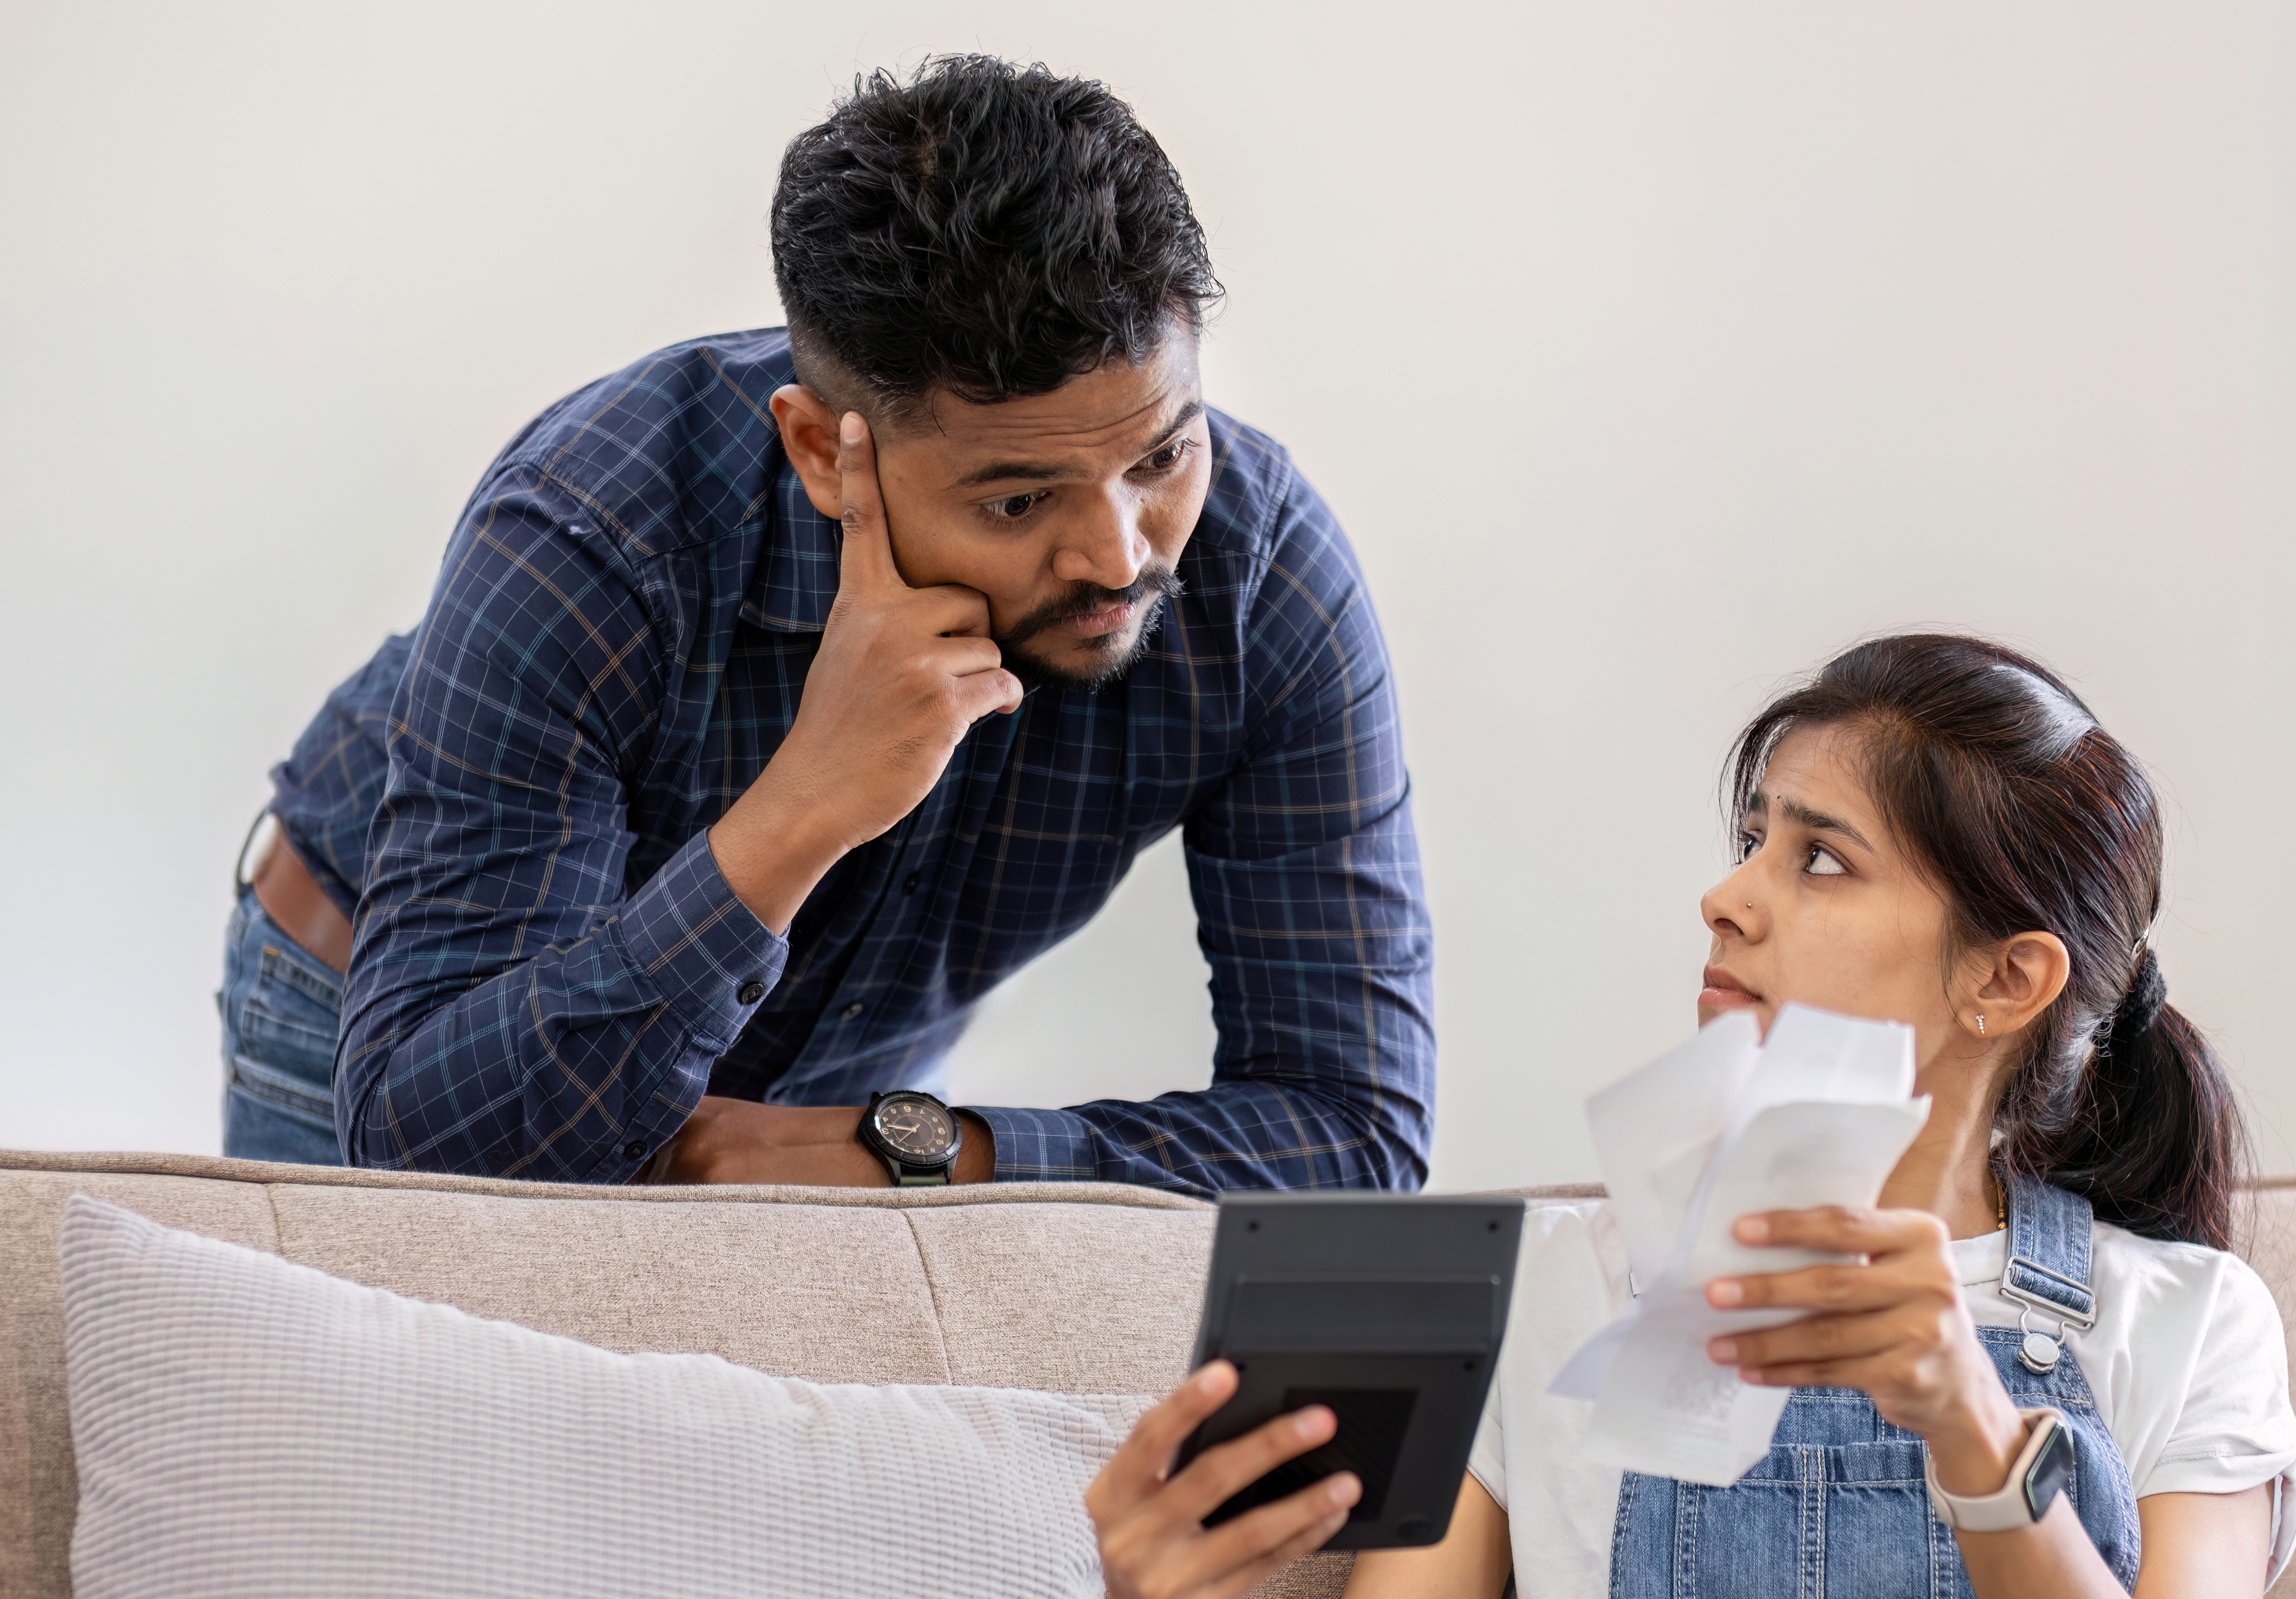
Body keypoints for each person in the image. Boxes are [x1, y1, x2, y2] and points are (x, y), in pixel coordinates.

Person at [1087, 634, 2296, 1599]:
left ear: (2005, 980)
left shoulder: (2192, 1320)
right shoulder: (1516, 1296)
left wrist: (1976, 1433)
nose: (1725, 900)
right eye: (1751, 841)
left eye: (1820, 860)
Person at [217, 56, 1432, 1194]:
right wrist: (806, 804)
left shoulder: (1264, 576)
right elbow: (434, 1143)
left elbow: (1357, 1125)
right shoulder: (596, 529)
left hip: (837, 1106)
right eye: (1017, 499)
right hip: (395, 1023)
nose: (1120, 552)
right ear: (821, 450)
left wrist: (907, 1151)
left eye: (1163, 455)